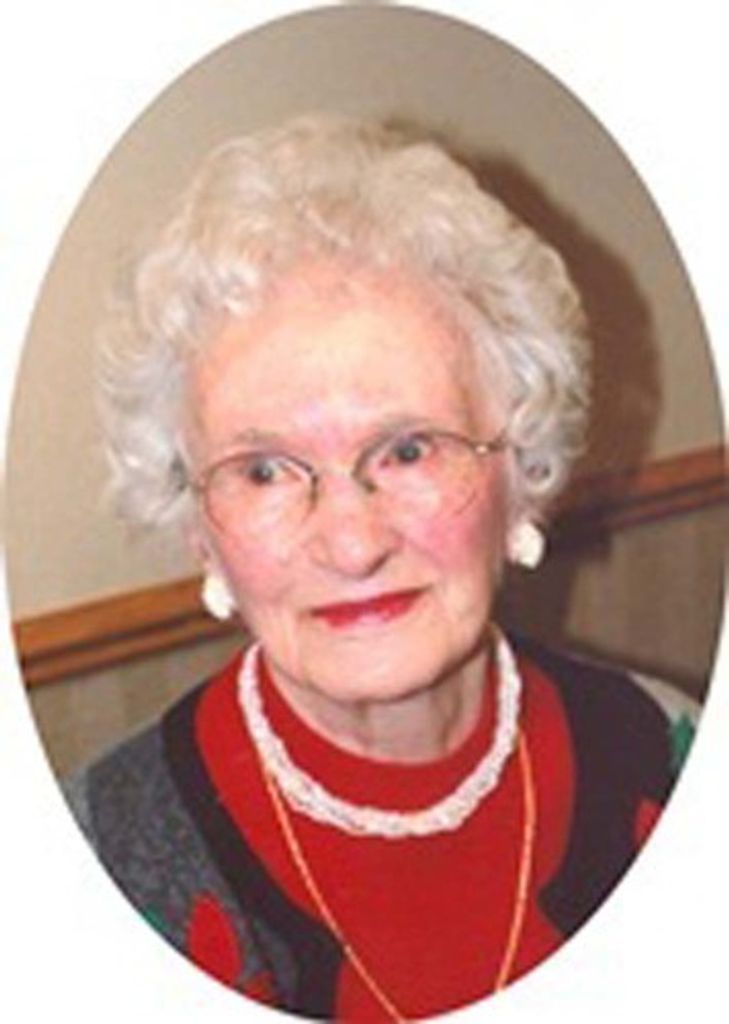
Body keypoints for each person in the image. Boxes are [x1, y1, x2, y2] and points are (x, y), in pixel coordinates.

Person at [65, 114, 688, 1021]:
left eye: (407, 450)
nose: (352, 544)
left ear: (520, 476)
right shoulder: (94, 857)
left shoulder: (666, 751)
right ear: (199, 528)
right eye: (264, 471)